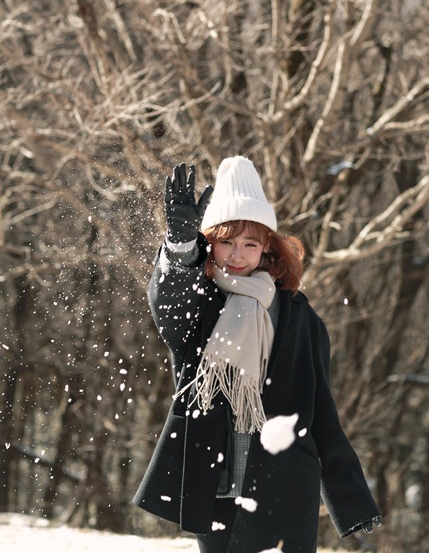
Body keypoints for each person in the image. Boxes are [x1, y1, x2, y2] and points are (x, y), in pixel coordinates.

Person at [134, 156, 381, 553]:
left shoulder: (299, 317)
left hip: (285, 484)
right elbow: (168, 302)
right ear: (210, 241)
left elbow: (321, 412)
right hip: (215, 481)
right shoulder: (199, 305)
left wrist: (350, 498)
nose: (237, 254)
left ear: (267, 245)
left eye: (250, 243)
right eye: (226, 241)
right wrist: (181, 247)